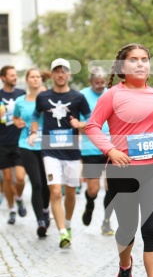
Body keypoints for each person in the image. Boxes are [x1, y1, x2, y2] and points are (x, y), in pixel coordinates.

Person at [85, 43, 153, 277]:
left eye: (145, 59)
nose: (141, 64)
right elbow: (93, 126)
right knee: (128, 228)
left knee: (152, 229)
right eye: (134, 60)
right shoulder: (111, 95)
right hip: (123, 169)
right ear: (122, 67)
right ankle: (125, 264)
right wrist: (111, 149)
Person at [29, 58, 90, 248]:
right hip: (49, 151)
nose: (61, 74)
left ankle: (69, 225)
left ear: (69, 74)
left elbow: (90, 121)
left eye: (64, 71)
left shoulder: (78, 97)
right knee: (55, 192)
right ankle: (62, 232)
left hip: (71, 152)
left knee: (70, 192)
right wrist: (33, 131)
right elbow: (35, 115)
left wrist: (79, 125)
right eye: (57, 71)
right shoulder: (43, 97)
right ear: (52, 74)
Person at [13, 69, 50, 237]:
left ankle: (46, 208)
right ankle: (40, 221)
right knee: (36, 183)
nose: (35, 79)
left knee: (47, 184)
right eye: (32, 77)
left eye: (38, 77)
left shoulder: (48, 98)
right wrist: (17, 122)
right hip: (26, 145)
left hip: (46, 145)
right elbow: (14, 117)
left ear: (41, 80)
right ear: (27, 80)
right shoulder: (20, 101)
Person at [80, 67, 114, 236]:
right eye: (96, 83)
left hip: (111, 148)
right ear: (90, 82)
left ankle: (106, 222)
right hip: (90, 149)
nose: (100, 86)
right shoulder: (82, 96)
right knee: (93, 189)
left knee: (111, 186)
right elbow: (79, 124)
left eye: (102, 83)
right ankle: (89, 204)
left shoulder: (111, 93)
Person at [0, 65, 27, 224]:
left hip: (19, 142)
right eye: (11, 75)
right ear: (3, 77)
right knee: (8, 179)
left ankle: (19, 197)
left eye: (15, 75)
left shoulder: (22, 95)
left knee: (21, 178)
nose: (15, 78)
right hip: (2, 143)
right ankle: (11, 209)